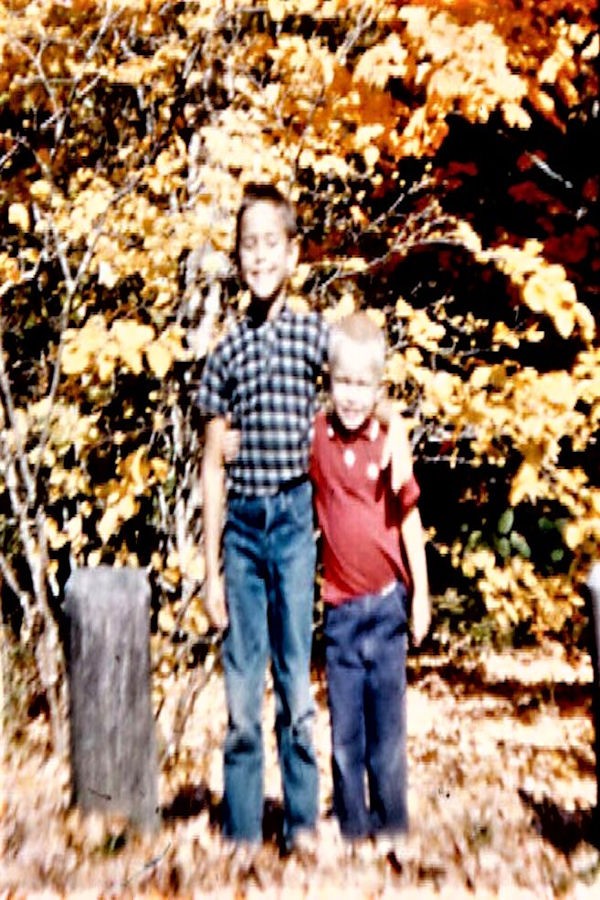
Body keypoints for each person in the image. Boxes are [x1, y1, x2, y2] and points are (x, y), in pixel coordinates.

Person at [197, 182, 412, 865]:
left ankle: (299, 823)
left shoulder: (314, 334)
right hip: (240, 537)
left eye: (271, 244)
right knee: (241, 688)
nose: (259, 257)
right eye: (247, 246)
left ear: (291, 255)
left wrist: (397, 432)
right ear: (237, 258)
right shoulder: (224, 355)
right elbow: (210, 464)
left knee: (295, 682)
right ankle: (238, 833)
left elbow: (362, 388)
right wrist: (207, 573)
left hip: (293, 523)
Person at [309, 311, 430, 863]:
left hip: (386, 607)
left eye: (363, 385)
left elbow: (409, 522)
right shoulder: (317, 438)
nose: (352, 396)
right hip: (339, 610)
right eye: (342, 382)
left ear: (377, 388)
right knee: (345, 733)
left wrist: (421, 596)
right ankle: (352, 825)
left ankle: (393, 824)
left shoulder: (388, 443)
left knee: (387, 732)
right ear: (328, 381)